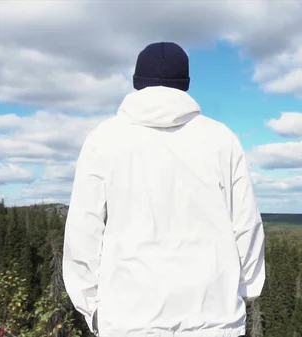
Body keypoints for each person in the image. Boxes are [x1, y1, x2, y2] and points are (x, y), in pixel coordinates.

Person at [62, 41, 266, 337]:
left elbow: (84, 230)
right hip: (215, 318)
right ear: (185, 84)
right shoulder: (222, 139)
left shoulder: (103, 139)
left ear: (136, 82)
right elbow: (246, 224)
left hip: (128, 319)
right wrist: (245, 288)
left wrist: (91, 307)